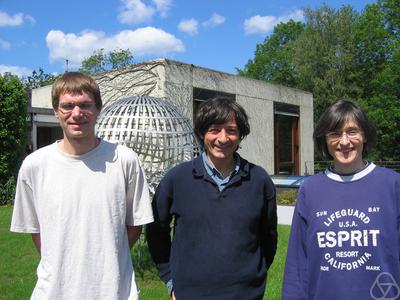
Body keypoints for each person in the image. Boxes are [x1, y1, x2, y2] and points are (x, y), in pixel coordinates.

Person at [10, 72, 154, 300]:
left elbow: (134, 225)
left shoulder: (125, 160)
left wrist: (107, 256)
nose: (76, 114)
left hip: (114, 291)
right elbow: (36, 230)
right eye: (67, 106)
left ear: (98, 109)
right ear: (56, 111)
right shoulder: (35, 165)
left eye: (85, 105)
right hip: (54, 292)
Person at [146, 97, 277, 299]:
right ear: (201, 133)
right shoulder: (177, 179)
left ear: (240, 135)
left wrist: (253, 277)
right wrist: (170, 279)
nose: (223, 139)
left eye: (231, 130)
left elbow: (269, 237)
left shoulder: (259, 180)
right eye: (214, 129)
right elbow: (156, 232)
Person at [282, 99, 400, 299]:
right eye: (335, 134)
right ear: (324, 140)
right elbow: (297, 264)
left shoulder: (392, 185)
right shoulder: (310, 190)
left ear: (364, 135)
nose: (344, 142)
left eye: (352, 131)